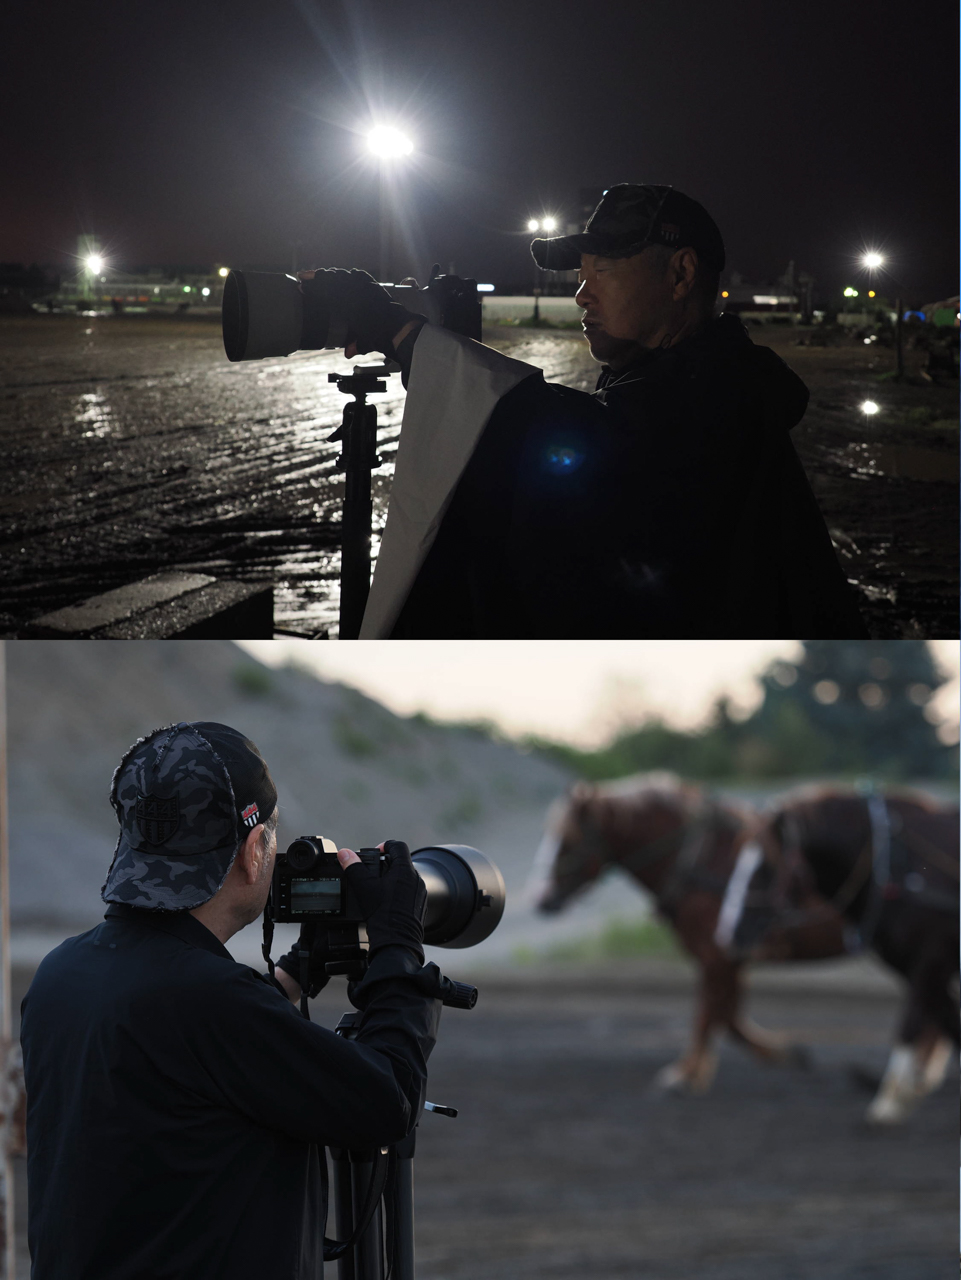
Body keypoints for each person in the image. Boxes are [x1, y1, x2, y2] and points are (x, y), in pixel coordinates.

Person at [308, 183, 867, 639]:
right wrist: (435, 350)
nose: (581, 293)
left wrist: (405, 334)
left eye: (603, 271)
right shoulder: (687, 378)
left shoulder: (720, 392)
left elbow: (593, 449)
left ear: (681, 274)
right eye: (579, 275)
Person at [22, 722, 441, 1280]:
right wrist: (398, 948)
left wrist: (293, 972)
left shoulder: (63, 973)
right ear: (252, 852)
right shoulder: (208, 1002)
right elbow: (386, 1100)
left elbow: (183, 1060)